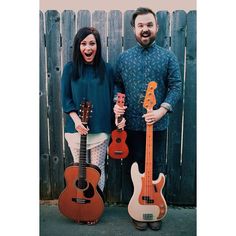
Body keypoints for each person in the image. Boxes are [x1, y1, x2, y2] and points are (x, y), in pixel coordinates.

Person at [114, 7, 182, 231]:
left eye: (149, 25)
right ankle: (137, 208)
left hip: (158, 124)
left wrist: (162, 110)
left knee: (156, 167)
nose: (145, 29)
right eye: (141, 25)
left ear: (157, 27)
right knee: (134, 167)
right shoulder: (124, 58)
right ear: (134, 29)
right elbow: (118, 86)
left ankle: (154, 207)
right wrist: (118, 105)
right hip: (132, 126)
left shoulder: (168, 56)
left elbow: (176, 86)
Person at [61, 27, 124, 218]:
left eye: (92, 43)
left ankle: (93, 209)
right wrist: (76, 121)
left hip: (100, 129)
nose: (88, 48)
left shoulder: (107, 69)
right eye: (83, 43)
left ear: (97, 45)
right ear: (78, 46)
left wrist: (118, 109)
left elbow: (116, 92)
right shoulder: (70, 68)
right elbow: (66, 99)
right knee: (79, 170)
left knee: (97, 169)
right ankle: (79, 208)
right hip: (75, 129)